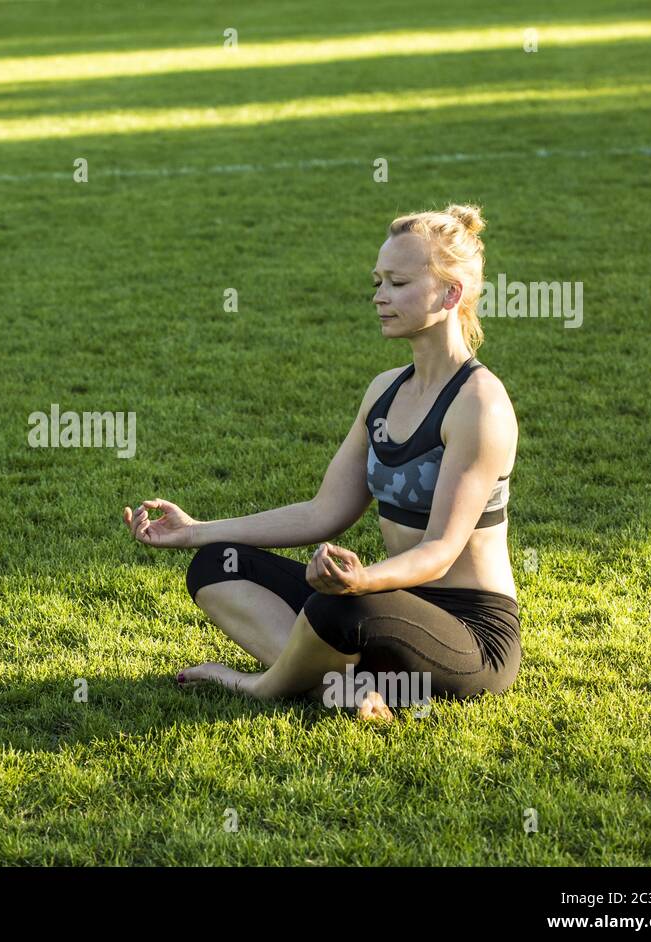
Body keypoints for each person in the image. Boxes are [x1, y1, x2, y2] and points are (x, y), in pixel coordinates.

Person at [122, 204, 520, 721]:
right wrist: (199, 531)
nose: (379, 296)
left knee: (335, 605)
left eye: (397, 283)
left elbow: (441, 551)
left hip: (469, 635)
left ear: (450, 295)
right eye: (378, 281)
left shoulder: (478, 404)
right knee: (218, 564)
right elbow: (323, 513)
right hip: (387, 612)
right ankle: (347, 687)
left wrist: (361, 582)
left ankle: (260, 685)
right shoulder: (383, 391)